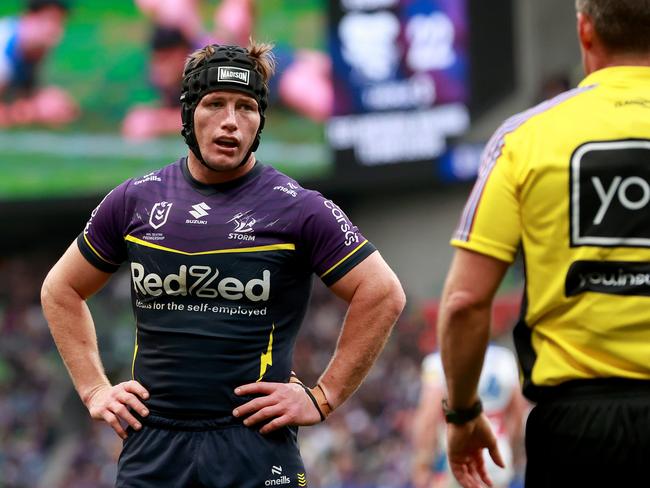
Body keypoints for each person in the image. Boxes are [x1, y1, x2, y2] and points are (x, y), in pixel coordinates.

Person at [41, 41, 405, 487]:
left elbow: (383, 292)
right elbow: (60, 290)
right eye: (214, 104)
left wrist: (323, 397)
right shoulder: (135, 200)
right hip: (152, 448)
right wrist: (95, 388)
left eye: (246, 107)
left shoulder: (299, 208)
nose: (231, 122)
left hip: (254, 448)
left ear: (261, 120)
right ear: (189, 112)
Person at [436, 0, 650, 487]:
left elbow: (466, 302)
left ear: (585, 30)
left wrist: (464, 413)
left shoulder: (524, 139)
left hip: (579, 434)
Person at [123, 0, 332, 140]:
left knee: (327, 103)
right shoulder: (162, 64)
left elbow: (213, 112)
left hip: (278, 73)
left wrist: (157, 122)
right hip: (265, 75)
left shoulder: (208, 59)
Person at [411, 343, 525, 488]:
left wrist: (423, 462)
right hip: (497, 449)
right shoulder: (505, 358)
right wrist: (510, 449)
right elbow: (518, 411)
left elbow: (429, 417)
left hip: (458, 453)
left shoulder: (438, 361)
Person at [0, 0, 78, 127]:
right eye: (50, 21)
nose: (56, 31)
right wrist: (34, 111)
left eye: (61, 22)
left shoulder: (36, 49)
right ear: (28, 16)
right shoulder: (4, 46)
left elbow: (21, 95)